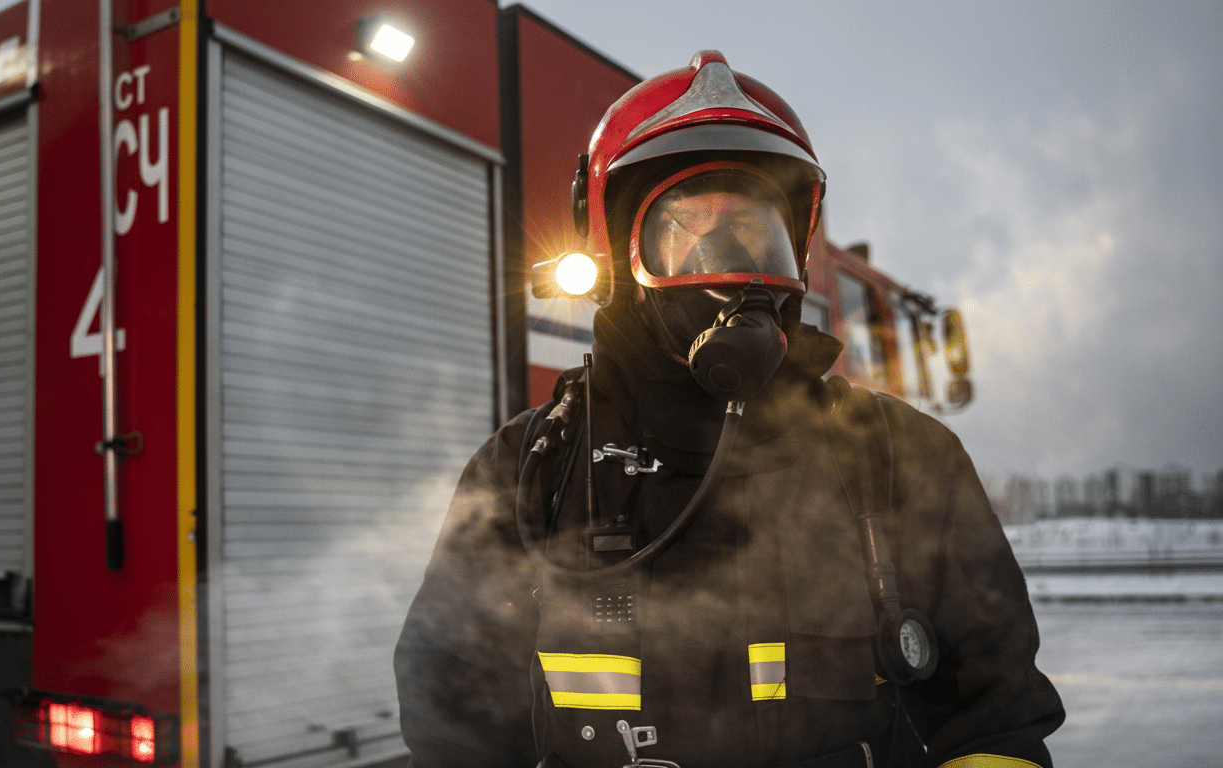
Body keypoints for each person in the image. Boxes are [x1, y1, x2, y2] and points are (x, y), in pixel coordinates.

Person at [395, 50, 1064, 768]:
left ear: (794, 259)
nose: (723, 259)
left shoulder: (903, 458)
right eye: (684, 228)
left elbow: (995, 723)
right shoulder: (529, 471)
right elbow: (452, 726)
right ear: (621, 260)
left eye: (750, 229)